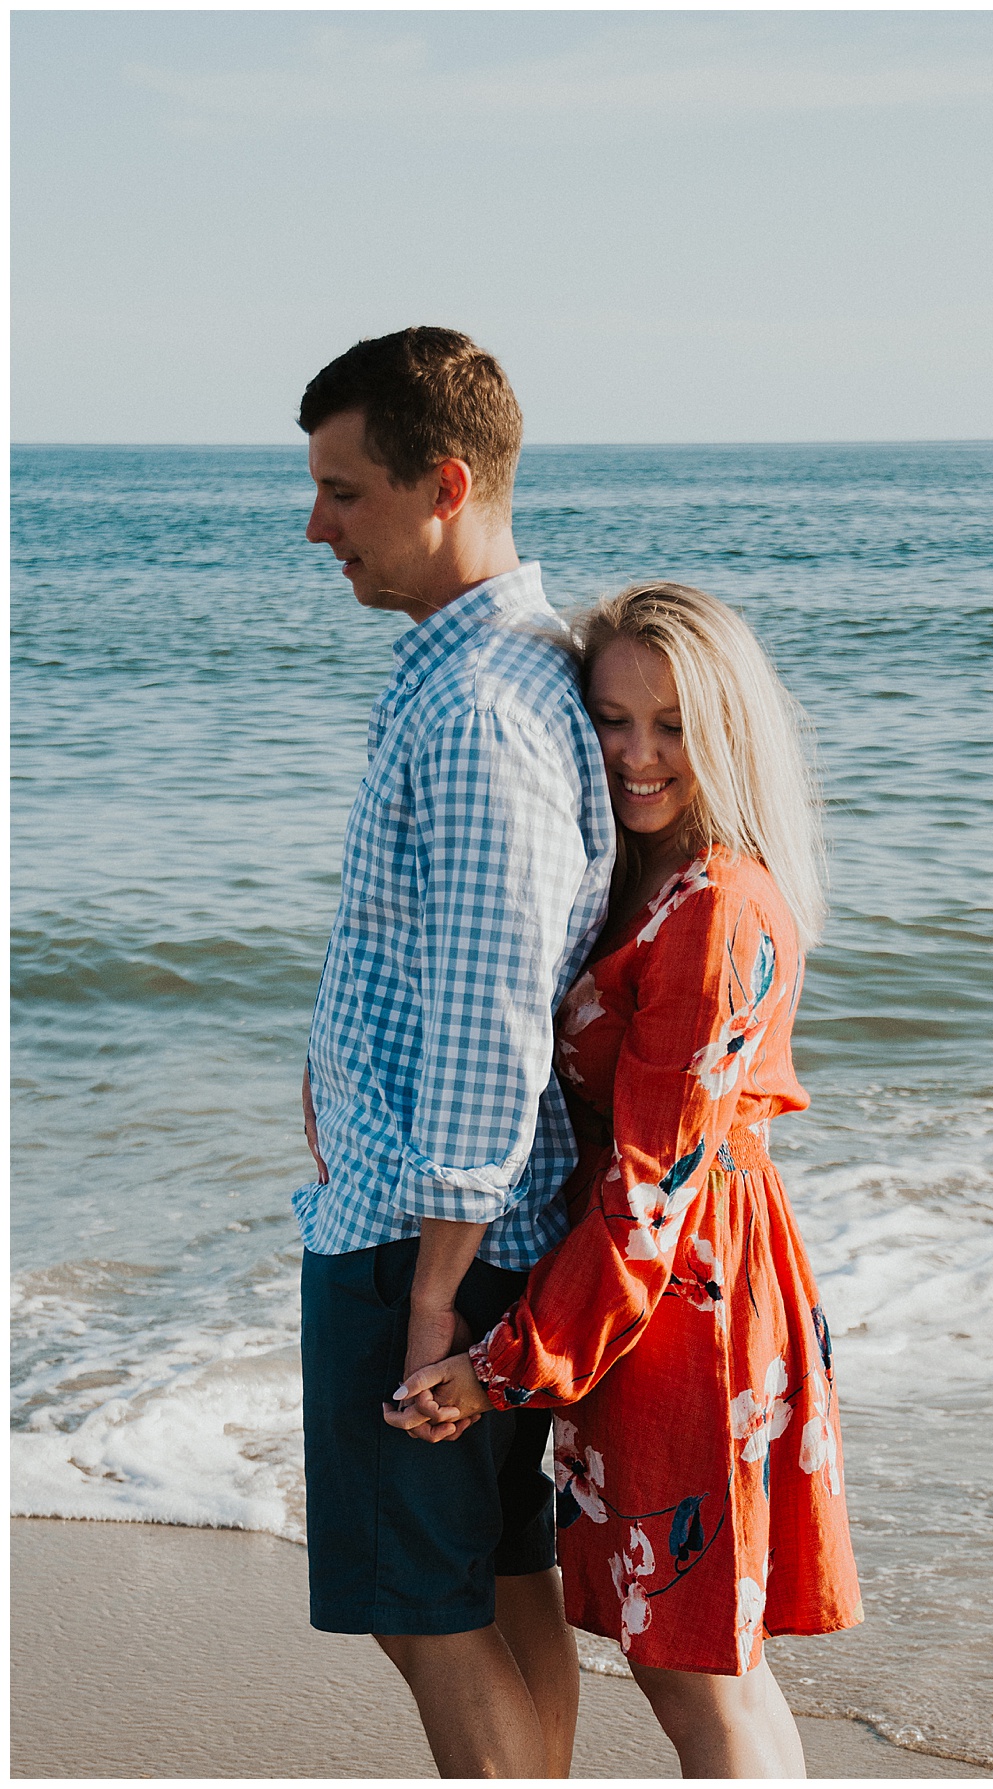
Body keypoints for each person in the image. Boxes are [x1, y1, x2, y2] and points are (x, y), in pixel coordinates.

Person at [392, 582, 865, 1779]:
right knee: (698, 1659)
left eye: (671, 726)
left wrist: (499, 1370)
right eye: (611, 721)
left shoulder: (718, 906)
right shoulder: (644, 878)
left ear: (726, 732)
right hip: (645, 1289)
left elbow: (653, 1185)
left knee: (697, 1667)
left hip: (686, 1295)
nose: (638, 757)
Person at [294, 326, 615, 1779]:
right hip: (473, 1227)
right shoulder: (501, 668)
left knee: (426, 1617)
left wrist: (430, 1298)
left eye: (345, 492)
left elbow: (494, 1026)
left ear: (445, 482)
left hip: (427, 1242)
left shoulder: (485, 707)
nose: (319, 526)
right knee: (496, 1578)